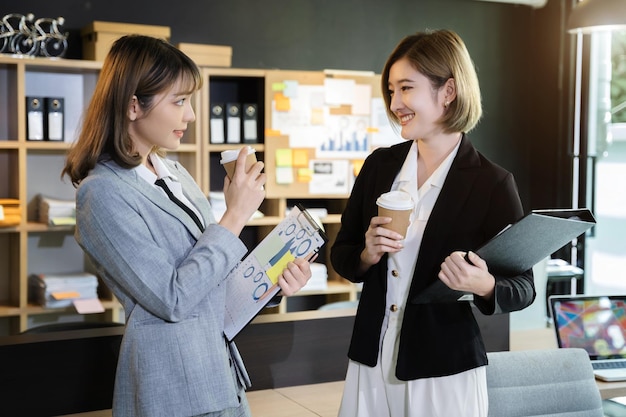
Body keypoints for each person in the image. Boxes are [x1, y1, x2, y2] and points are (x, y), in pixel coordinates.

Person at [61, 35, 313, 417]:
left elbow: (212, 287)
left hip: (218, 376)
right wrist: (234, 217)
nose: (191, 115)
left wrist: (272, 283)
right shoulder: (102, 194)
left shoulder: (175, 173)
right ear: (133, 105)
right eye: (179, 101)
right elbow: (172, 298)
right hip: (171, 390)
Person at [330, 29, 535, 417]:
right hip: (370, 362)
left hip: (443, 371)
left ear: (448, 91)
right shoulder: (379, 166)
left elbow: (523, 288)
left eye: (406, 88)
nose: (395, 104)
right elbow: (341, 255)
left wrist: (483, 284)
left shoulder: (491, 183)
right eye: (391, 91)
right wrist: (365, 255)